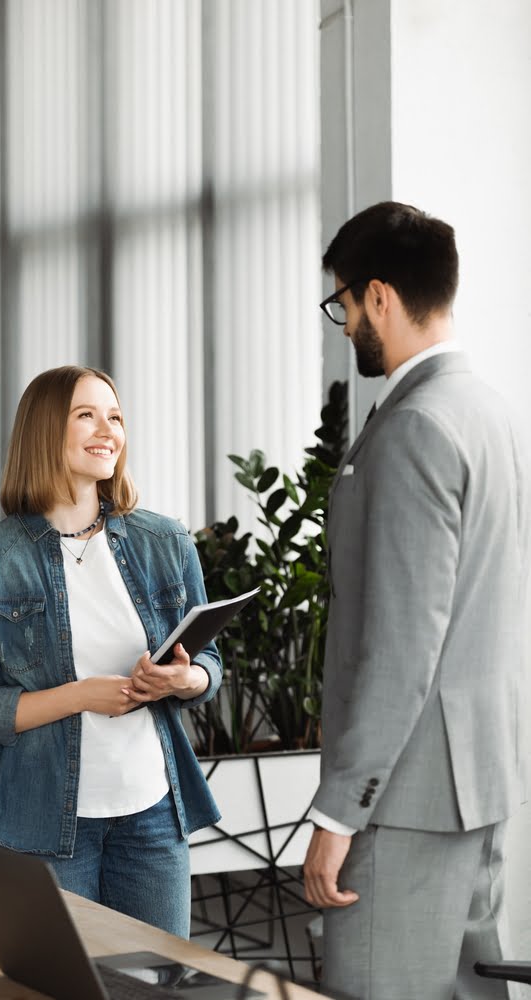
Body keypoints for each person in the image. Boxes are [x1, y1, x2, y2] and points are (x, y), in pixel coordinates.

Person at [302, 202, 531, 999]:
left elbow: (402, 645)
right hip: (480, 780)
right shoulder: (492, 413)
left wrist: (337, 815)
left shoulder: (413, 427)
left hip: (401, 798)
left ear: (378, 297)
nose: (342, 325)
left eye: (341, 304)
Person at [0, 365, 222, 939]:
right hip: (42, 826)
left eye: (115, 416)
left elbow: (210, 666)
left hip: (153, 818)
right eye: (86, 415)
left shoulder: (165, 542)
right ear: (45, 431)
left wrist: (184, 682)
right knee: (62, 985)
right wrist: (78, 697)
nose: (108, 430)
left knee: (158, 983)